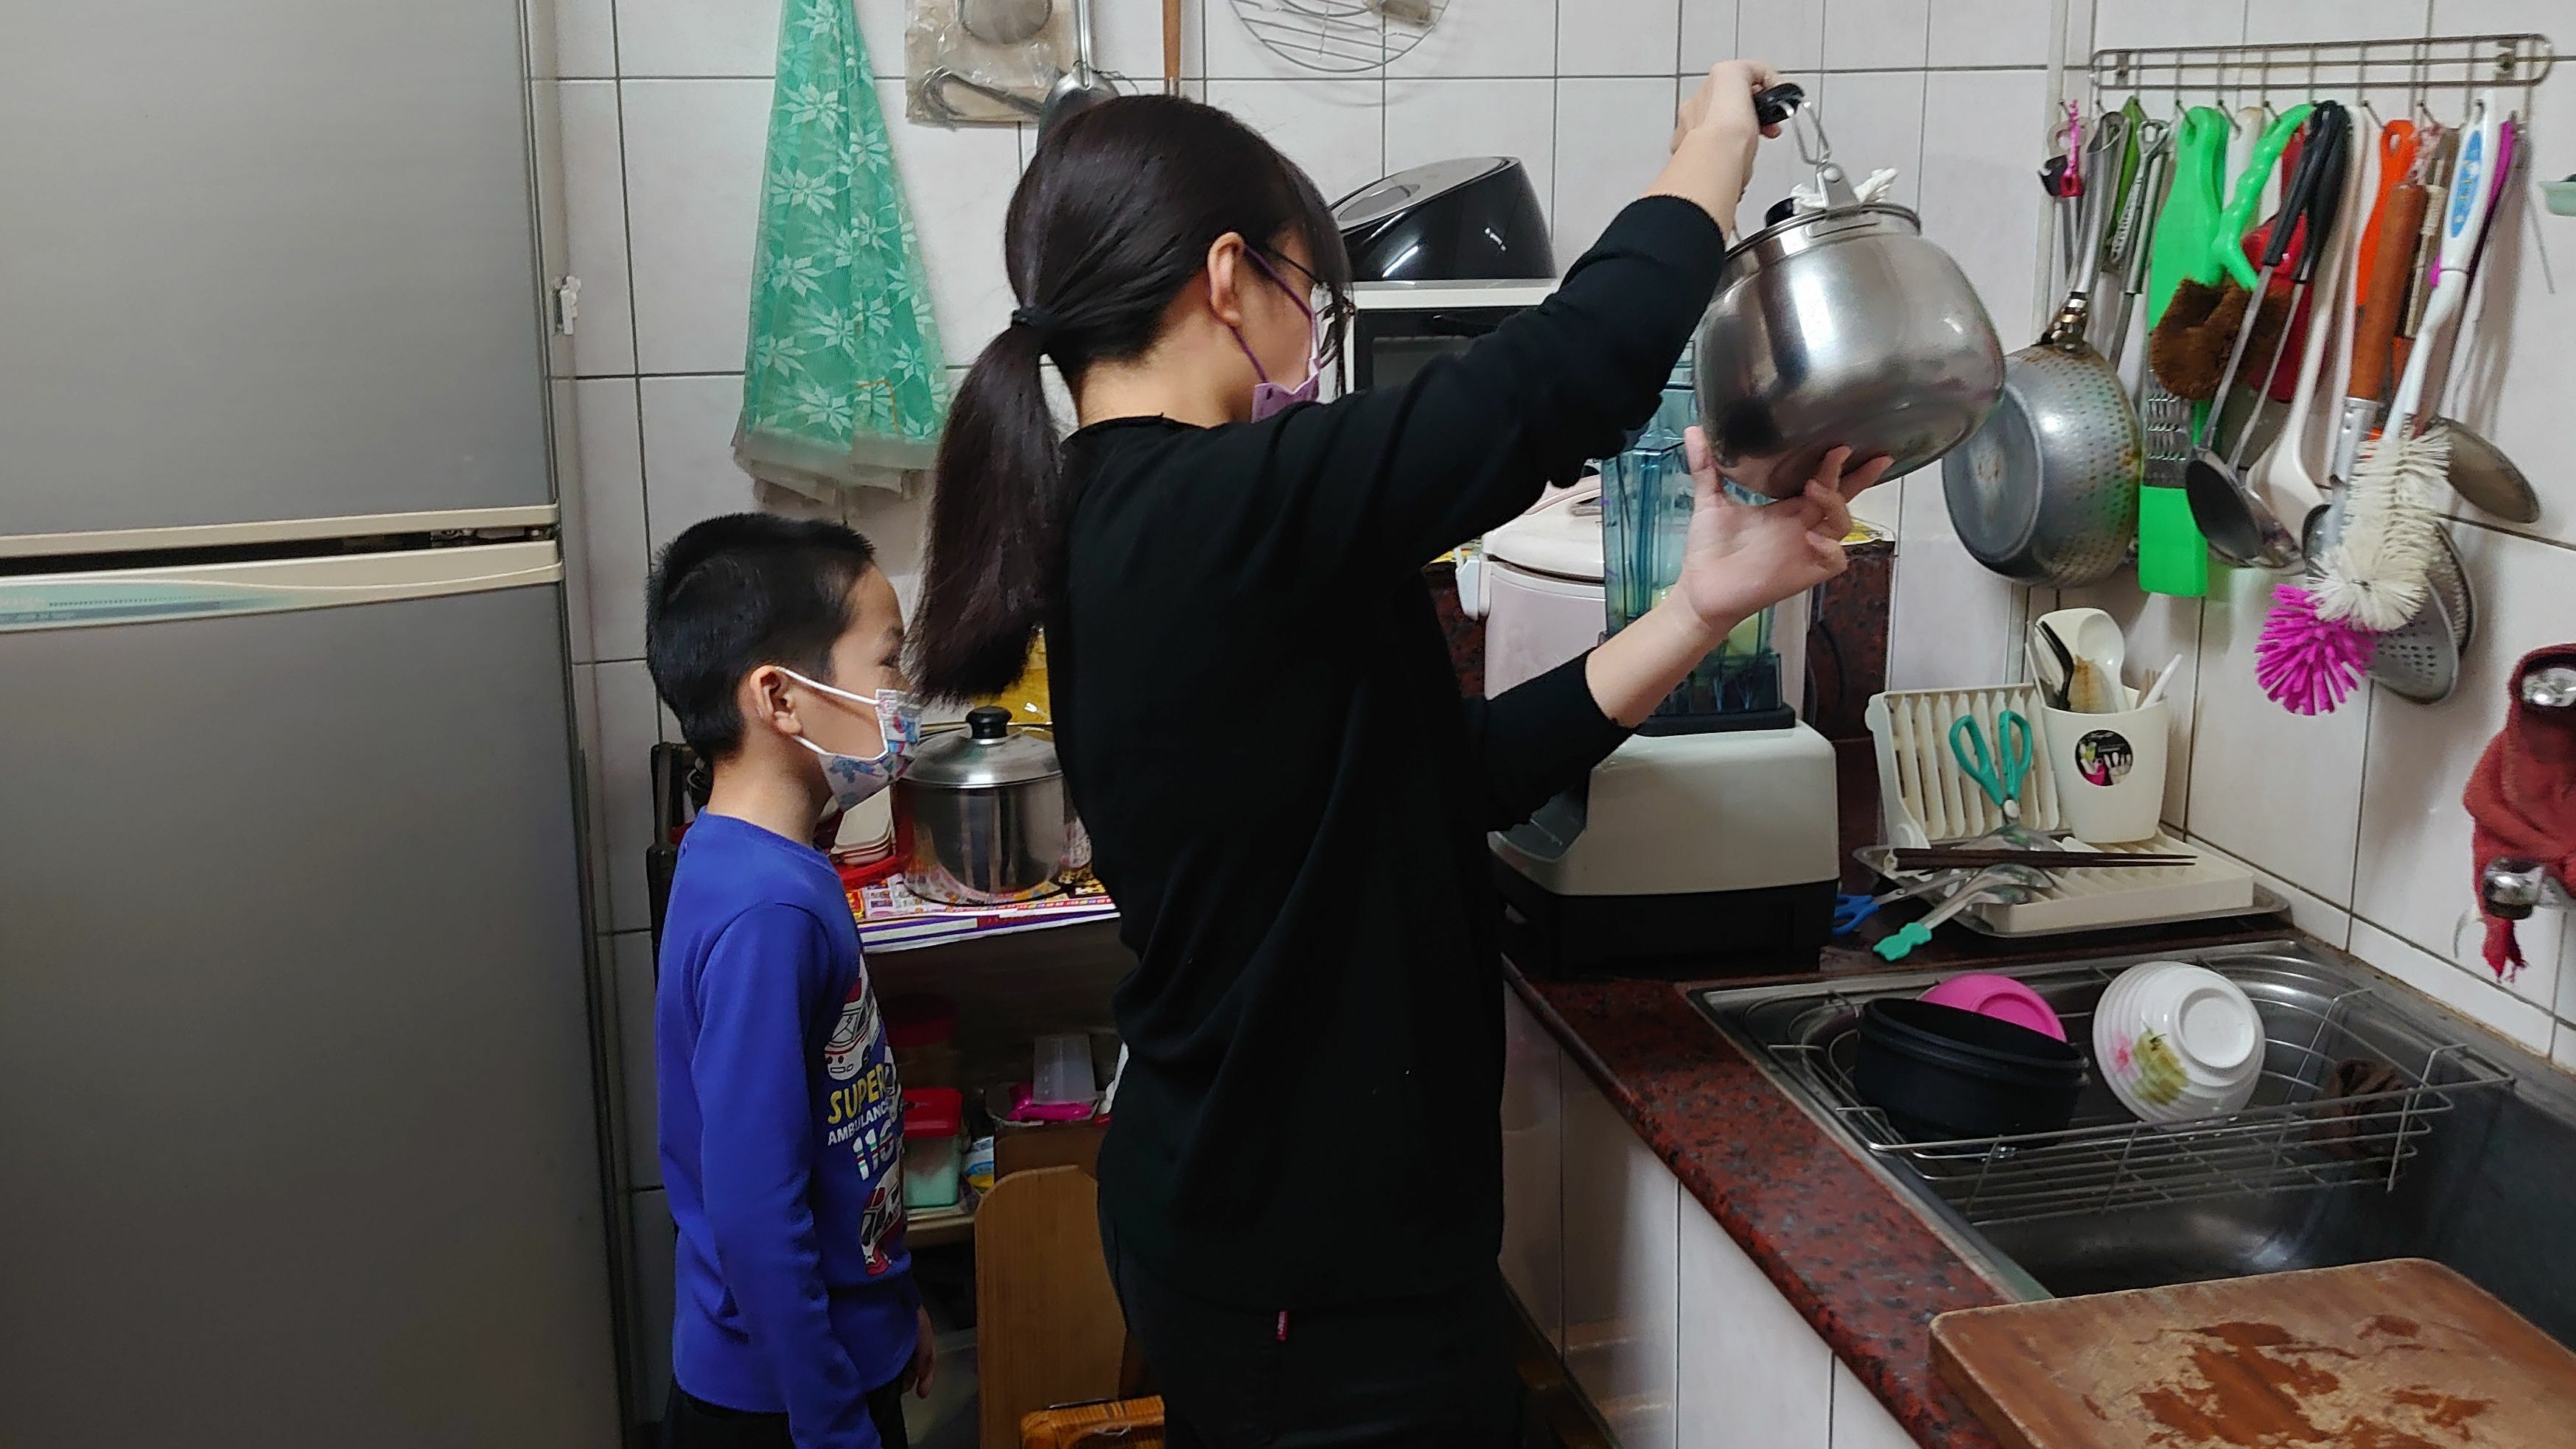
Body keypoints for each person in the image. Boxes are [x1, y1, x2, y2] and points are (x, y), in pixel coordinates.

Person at [912, 62, 1887, 1447]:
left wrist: (1698, 607)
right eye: (1316, 296)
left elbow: (1449, 779)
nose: (1312, 339)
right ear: (1228, 278)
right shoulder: (1205, 510)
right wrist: (1709, 158)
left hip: (1272, 1229)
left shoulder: (1152, 519)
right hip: (1307, 1273)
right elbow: (1561, 380)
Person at [645, 514, 937, 1449]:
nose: (903, 693)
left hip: (832, 1348)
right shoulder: (768, 912)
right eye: (888, 662)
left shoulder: (744, 861)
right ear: (780, 695)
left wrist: (892, 1301)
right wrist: (832, 1419)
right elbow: (753, 1207)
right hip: (781, 1402)